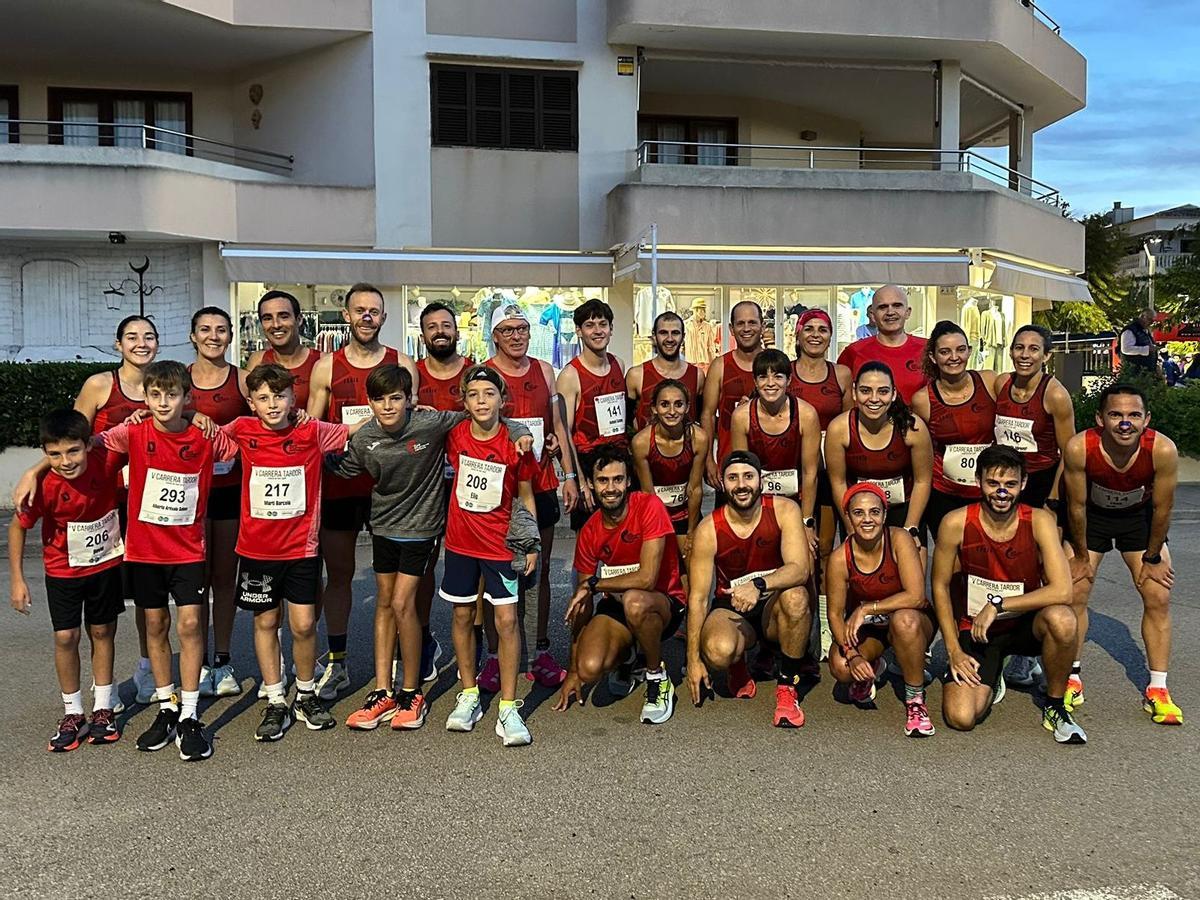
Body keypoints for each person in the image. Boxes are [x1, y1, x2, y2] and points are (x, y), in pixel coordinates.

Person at [330, 364, 530, 731]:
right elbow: (340, 464)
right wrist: (316, 442)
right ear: (369, 402)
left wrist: (519, 430)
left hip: (423, 529)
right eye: (380, 399)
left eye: (396, 398)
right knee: (386, 603)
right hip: (384, 527)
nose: (389, 406)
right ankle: (382, 690)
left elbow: (488, 415)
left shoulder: (431, 423)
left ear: (411, 400)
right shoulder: (366, 437)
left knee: (405, 604)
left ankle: (412, 691)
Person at [221, 363, 363, 742]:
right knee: (266, 622)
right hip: (256, 549)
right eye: (263, 398)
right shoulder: (241, 430)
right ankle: (274, 699)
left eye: (279, 396)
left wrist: (409, 413)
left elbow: (353, 431)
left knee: (302, 625)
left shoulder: (310, 430)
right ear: (251, 403)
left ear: (292, 398)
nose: (272, 405)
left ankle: (304, 693)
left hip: (301, 548)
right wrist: (194, 414)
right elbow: (199, 438)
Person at [96, 362, 223, 761]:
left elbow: (252, 444)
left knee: (189, 623)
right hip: (145, 550)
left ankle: (189, 713)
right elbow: (87, 445)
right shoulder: (133, 430)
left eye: (172, 395)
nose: (163, 402)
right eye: (155, 395)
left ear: (187, 397)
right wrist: (36, 471)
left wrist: (204, 419)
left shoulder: (205, 435)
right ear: (145, 398)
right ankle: (166, 706)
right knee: (155, 623)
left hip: (188, 549)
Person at [306, 283, 419, 701]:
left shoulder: (402, 362)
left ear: (384, 318)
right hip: (340, 484)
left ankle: (398, 661)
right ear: (347, 316)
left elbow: (416, 425)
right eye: (359, 310)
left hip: (391, 489)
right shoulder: (326, 367)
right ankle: (336, 660)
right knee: (340, 575)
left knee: (394, 584)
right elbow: (311, 432)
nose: (367, 317)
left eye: (374, 311)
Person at [931, 445, 1086, 743]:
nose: (1001, 492)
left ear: (1023, 483)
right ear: (978, 480)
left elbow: (1063, 590)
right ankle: (996, 669)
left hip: (1023, 624)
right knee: (961, 717)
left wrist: (998, 605)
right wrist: (953, 650)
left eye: (1010, 484)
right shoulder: (955, 523)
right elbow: (939, 586)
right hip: (977, 630)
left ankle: (1056, 705)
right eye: (993, 483)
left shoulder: (1040, 521)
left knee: (1063, 619)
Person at [1062, 383, 1183, 724]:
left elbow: (1163, 509)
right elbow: (1076, 506)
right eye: (1116, 415)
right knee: (1075, 591)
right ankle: (1071, 677)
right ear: (1100, 418)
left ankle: (1158, 688)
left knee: (1158, 594)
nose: (1124, 423)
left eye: (1133, 415)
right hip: (1092, 519)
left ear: (1147, 419)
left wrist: (1153, 557)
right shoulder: (1079, 447)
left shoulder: (1162, 449)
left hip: (1139, 521)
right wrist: (1082, 557)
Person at [9, 410, 126, 751]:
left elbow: (143, 430)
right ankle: (73, 711)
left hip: (104, 564)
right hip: (62, 569)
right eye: (55, 455)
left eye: (73, 451)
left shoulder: (106, 460)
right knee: (66, 637)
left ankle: (103, 707)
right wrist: (17, 579)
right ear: (45, 454)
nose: (66, 461)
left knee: (103, 631)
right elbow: (18, 526)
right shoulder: (43, 484)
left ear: (88, 445)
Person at [440, 366, 540, 747]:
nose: (481, 401)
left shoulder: (516, 444)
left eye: (489, 393)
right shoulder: (455, 435)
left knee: (507, 621)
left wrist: (530, 543)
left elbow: (526, 494)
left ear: (503, 399)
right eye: (474, 394)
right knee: (463, 615)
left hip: (501, 545)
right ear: (464, 402)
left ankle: (508, 707)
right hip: (461, 543)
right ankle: (468, 694)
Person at [554, 447, 686, 725]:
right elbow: (582, 602)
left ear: (628, 481)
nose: (611, 488)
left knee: (635, 600)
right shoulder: (590, 530)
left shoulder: (649, 506)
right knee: (589, 669)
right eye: (603, 480)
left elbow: (647, 579)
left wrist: (595, 583)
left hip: (661, 603)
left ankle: (656, 677)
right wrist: (573, 670)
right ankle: (628, 657)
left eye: (617, 479)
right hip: (618, 605)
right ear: (591, 483)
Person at [685, 451, 814, 728]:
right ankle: (737, 663)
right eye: (733, 478)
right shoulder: (709, 529)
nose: (741, 485)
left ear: (761, 481)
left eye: (748, 477)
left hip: (772, 604)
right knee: (718, 651)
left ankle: (787, 688)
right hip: (733, 609)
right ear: (722, 483)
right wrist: (693, 660)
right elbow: (697, 598)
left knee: (797, 596)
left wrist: (758, 585)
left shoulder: (785, 510)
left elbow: (799, 569)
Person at [486, 303, 577, 690]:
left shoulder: (544, 370)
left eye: (522, 328)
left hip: (540, 484)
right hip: (500, 489)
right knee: (495, 574)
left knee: (537, 573)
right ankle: (494, 655)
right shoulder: (486, 373)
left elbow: (557, 425)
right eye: (508, 330)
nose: (517, 336)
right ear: (495, 336)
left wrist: (569, 474)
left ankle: (539, 650)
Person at [73, 314, 156, 705]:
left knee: (145, 596)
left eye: (149, 336)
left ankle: (144, 669)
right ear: (118, 343)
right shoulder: (100, 385)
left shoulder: (164, 387)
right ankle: (101, 682)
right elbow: (73, 440)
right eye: (132, 337)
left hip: (149, 509)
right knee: (104, 597)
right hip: (106, 506)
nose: (141, 343)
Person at [825, 483, 935, 737]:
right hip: (872, 629)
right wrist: (853, 655)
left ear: (885, 515)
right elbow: (834, 614)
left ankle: (915, 700)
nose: (867, 520)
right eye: (859, 513)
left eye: (874, 512)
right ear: (849, 517)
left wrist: (866, 608)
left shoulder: (899, 539)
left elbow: (916, 597)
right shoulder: (840, 558)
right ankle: (877, 665)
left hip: (913, 621)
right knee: (841, 666)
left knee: (904, 620)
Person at [187, 307, 250, 699]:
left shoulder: (240, 379)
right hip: (187, 494)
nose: (214, 336)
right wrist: (191, 414)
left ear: (230, 336)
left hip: (230, 490)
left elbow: (265, 415)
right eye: (205, 330)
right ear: (193, 336)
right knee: (196, 581)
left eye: (221, 330)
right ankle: (198, 660)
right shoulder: (177, 379)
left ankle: (222, 659)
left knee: (225, 578)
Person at [412, 301, 474, 685]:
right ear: (423, 335)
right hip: (423, 484)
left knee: (473, 568)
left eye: (446, 325)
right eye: (432, 326)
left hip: (470, 483)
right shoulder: (412, 375)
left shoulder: (474, 373)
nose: (440, 332)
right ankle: (421, 643)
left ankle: (477, 647)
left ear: (456, 331)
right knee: (422, 570)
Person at [787, 308, 852, 658]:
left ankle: (827, 624)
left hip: (829, 474)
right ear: (797, 335)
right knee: (791, 551)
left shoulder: (841, 374)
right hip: (790, 474)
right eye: (808, 329)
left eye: (822, 329)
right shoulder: (786, 373)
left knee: (823, 551)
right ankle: (796, 620)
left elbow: (850, 423)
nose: (815, 335)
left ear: (830, 336)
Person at [825, 362, 933, 547]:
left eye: (883, 391)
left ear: (894, 394)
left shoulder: (912, 427)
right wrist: (851, 527)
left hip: (903, 509)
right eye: (866, 391)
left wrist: (911, 527)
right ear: (854, 392)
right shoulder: (838, 429)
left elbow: (922, 481)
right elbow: (838, 482)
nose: (874, 399)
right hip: (859, 513)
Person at [910, 321, 998, 539]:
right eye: (945, 352)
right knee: (951, 562)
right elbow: (921, 451)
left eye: (960, 349)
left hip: (989, 491)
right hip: (944, 493)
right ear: (933, 357)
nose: (954, 357)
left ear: (969, 351)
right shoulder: (923, 399)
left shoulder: (990, 380)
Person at [731, 349, 821, 539]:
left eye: (778, 376)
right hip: (758, 504)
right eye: (763, 377)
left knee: (807, 559)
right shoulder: (741, 417)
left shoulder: (806, 414)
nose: (770, 383)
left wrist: (807, 521)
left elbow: (810, 473)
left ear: (789, 380)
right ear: (755, 382)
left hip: (799, 503)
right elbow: (741, 472)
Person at [557, 298, 628, 532]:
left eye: (602, 324)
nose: (597, 331)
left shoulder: (619, 363)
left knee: (623, 536)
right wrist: (578, 479)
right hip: (588, 464)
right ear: (578, 331)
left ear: (610, 328)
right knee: (589, 540)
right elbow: (564, 433)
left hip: (619, 461)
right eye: (589, 325)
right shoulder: (570, 376)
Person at [631, 378, 709, 555]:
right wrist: (657, 532)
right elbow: (647, 494)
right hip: (655, 514)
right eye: (665, 405)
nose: (672, 411)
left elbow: (695, 489)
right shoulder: (641, 442)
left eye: (679, 404)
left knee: (692, 564)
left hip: (686, 514)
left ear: (687, 407)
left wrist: (691, 532)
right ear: (654, 408)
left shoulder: (699, 438)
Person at [699, 300, 764, 491]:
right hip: (730, 465)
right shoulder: (720, 366)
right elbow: (708, 415)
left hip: (768, 465)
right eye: (740, 323)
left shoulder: (774, 365)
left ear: (762, 326)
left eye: (752, 322)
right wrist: (709, 459)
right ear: (731, 328)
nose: (746, 329)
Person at [836, 285, 927, 403]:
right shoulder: (853, 352)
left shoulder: (928, 350)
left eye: (897, 305)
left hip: (917, 421)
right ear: (873, 315)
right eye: (883, 307)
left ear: (908, 312)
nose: (890, 312)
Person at [245, 289, 323, 410]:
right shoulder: (257, 360)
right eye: (267, 318)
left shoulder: (322, 362)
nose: (276, 325)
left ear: (299, 320)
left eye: (284, 316)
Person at [627, 311, 704, 430]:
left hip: (687, 447)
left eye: (675, 333)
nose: (669, 339)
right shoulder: (636, 375)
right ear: (654, 336)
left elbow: (701, 418)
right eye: (663, 333)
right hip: (647, 447)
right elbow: (626, 423)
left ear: (683, 337)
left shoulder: (697, 375)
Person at [1119, 309, 1158, 374]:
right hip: (1134, 373)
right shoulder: (1130, 330)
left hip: (1146, 372)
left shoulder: (1145, 331)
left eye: (1153, 321)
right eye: (1149, 319)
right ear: (1142, 316)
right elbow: (1126, 349)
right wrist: (1147, 349)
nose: (1151, 323)